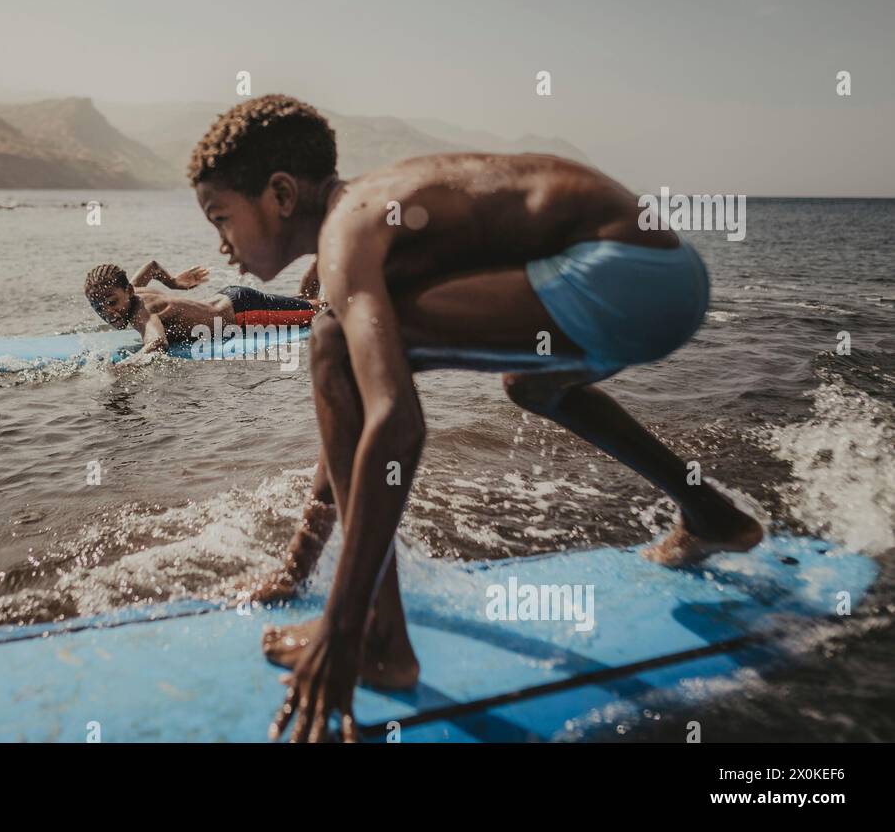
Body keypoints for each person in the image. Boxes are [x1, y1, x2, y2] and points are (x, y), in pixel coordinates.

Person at [187, 94, 764, 742]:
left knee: (331, 342)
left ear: (282, 195)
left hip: (626, 272)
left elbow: (396, 424)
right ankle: (713, 514)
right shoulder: (365, 216)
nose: (221, 246)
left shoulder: (350, 227)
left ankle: (380, 640)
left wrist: (338, 633)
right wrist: (297, 569)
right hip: (665, 280)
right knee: (531, 384)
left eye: (221, 218)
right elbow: (347, 417)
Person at [83, 259, 323, 356]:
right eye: (98, 307)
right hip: (232, 300)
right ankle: (321, 260)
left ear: (128, 292)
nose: (107, 311)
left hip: (243, 313)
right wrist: (174, 283)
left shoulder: (140, 311)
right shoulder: (132, 291)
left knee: (319, 310)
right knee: (303, 301)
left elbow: (157, 343)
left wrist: (123, 369)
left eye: (112, 302)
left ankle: (342, 277)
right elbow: (152, 266)